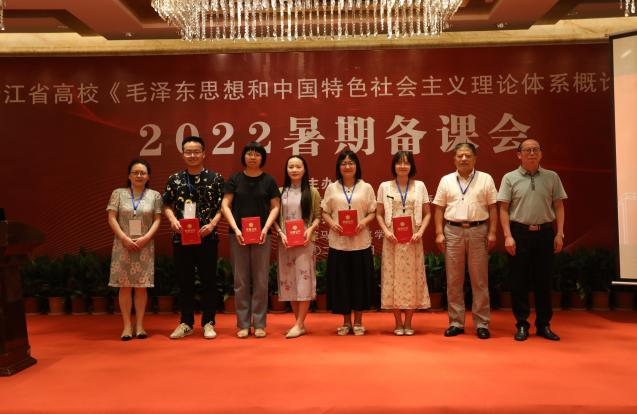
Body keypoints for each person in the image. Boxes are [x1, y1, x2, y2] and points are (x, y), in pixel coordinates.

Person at [497, 138, 567, 341]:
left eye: (535, 149)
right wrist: (508, 236)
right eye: (527, 150)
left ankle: (544, 324)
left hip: (545, 233)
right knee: (518, 281)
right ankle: (522, 324)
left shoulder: (552, 177)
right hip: (519, 233)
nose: (531, 153)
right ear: (519, 155)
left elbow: (559, 206)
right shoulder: (510, 178)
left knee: (543, 280)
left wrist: (559, 233)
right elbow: (503, 208)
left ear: (541, 154)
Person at [432, 143, 498, 340]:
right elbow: (439, 208)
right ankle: (456, 322)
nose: (463, 159)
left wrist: (492, 232)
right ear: (454, 159)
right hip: (452, 231)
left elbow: (493, 208)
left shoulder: (485, 178)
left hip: (478, 230)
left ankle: (482, 323)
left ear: (475, 158)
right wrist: (439, 233)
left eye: (468, 155)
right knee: (454, 280)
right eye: (460, 155)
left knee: (480, 280)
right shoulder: (446, 180)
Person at [163, 136, 225, 339]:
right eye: (188, 152)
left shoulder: (216, 178)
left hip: (207, 236)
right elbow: (166, 204)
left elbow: (223, 207)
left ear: (204, 154)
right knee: (185, 281)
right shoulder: (174, 179)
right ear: (183, 154)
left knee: (209, 281)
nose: (192, 155)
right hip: (182, 237)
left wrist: (213, 224)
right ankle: (186, 322)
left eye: (196, 151)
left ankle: (208, 322)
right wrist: (172, 220)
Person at [221, 141, 280, 339]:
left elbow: (275, 207)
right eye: (249, 153)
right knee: (241, 281)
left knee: (261, 281)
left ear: (262, 158)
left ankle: (260, 323)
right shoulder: (235, 179)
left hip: (262, 235)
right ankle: (243, 324)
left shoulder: (269, 181)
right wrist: (236, 229)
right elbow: (225, 205)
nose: (253, 157)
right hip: (238, 235)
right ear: (244, 156)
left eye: (257, 154)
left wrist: (265, 228)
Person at [376, 151, 432, 336]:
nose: (402, 166)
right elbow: (378, 214)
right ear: (394, 166)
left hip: (413, 239)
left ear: (411, 166)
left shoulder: (420, 186)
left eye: (406, 163)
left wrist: (420, 232)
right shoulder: (384, 186)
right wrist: (386, 232)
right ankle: (398, 323)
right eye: (399, 163)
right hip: (392, 239)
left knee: (412, 279)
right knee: (393, 279)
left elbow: (428, 213)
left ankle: (408, 322)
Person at [321, 150, 377, 336]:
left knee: (359, 282)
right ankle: (346, 322)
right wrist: (332, 224)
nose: (347, 166)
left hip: (360, 243)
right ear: (339, 167)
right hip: (339, 243)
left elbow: (373, 211)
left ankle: (359, 321)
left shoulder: (366, 187)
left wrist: (364, 222)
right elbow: (325, 211)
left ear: (357, 166)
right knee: (342, 283)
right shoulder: (332, 188)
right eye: (343, 163)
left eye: (351, 163)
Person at [107, 159, 162, 341]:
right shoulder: (118, 194)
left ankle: (139, 325)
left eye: (143, 173)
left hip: (144, 245)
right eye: (135, 172)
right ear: (129, 175)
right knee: (124, 286)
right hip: (122, 244)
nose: (139, 176)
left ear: (148, 177)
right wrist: (123, 237)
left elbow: (157, 220)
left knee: (141, 287)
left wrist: (146, 238)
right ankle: (126, 326)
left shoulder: (155, 196)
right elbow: (111, 218)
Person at [272, 155, 322, 339]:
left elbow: (318, 216)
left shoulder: (312, 191)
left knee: (304, 280)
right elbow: (274, 217)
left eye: (298, 166)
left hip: (305, 242)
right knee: (289, 282)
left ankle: (300, 324)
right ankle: (298, 323)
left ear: (304, 169)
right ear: (286, 170)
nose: (294, 170)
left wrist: (309, 230)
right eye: (290, 166)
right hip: (285, 242)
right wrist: (281, 233)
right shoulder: (280, 192)